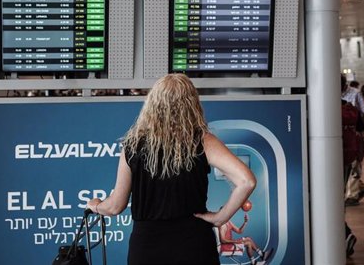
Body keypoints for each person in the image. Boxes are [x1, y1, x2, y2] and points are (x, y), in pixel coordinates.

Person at [85, 73, 259, 265]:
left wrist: (96, 205)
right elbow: (246, 181)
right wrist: (220, 218)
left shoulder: (133, 146)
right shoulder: (203, 141)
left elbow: (116, 206)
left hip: (147, 249)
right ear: (192, 104)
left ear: (153, 104)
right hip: (194, 246)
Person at [341, 87, 364, 257]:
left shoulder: (324, 107)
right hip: (347, 158)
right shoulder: (350, 110)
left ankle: (344, 234)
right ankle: (344, 234)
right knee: (339, 198)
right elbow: (361, 130)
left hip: (328, 159)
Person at [342, 75, 364, 206]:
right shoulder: (331, 92)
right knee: (348, 166)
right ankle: (360, 188)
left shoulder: (355, 93)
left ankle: (353, 194)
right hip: (341, 133)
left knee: (354, 164)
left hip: (354, 131)